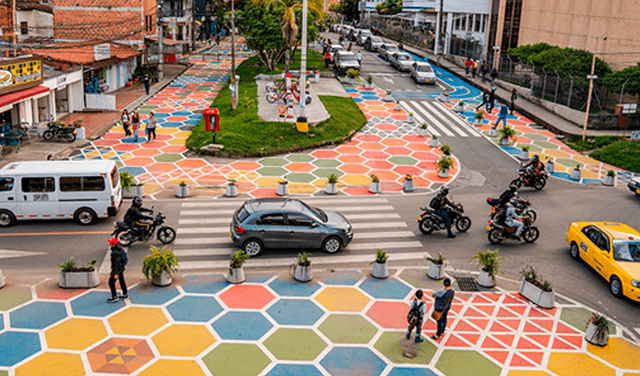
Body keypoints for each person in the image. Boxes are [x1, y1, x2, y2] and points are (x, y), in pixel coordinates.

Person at [107, 238, 128, 303]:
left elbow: (116, 263)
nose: (109, 244)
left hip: (117, 270)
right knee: (121, 280)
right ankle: (125, 294)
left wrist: (116, 273)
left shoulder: (115, 253)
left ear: (113, 244)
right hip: (121, 268)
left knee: (111, 282)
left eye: (110, 243)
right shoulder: (121, 249)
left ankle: (114, 297)